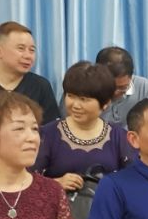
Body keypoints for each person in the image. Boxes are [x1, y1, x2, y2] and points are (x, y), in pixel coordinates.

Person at [33, 61, 132, 190]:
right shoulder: (46, 135)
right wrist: (55, 184)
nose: (75, 105)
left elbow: (132, 181)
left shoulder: (119, 137)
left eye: (84, 99)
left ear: (105, 103)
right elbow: (24, 181)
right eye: (71, 96)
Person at [0, 21, 60, 122]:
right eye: (21, 48)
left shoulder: (41, 86)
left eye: (32, 50)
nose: (28, 56)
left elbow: (51, 126)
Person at [95, 46, 148, 127]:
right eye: (110, 87)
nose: (115, 92)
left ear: (131, 77)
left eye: (122, 87)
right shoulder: (88, 91)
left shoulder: (144, 87)